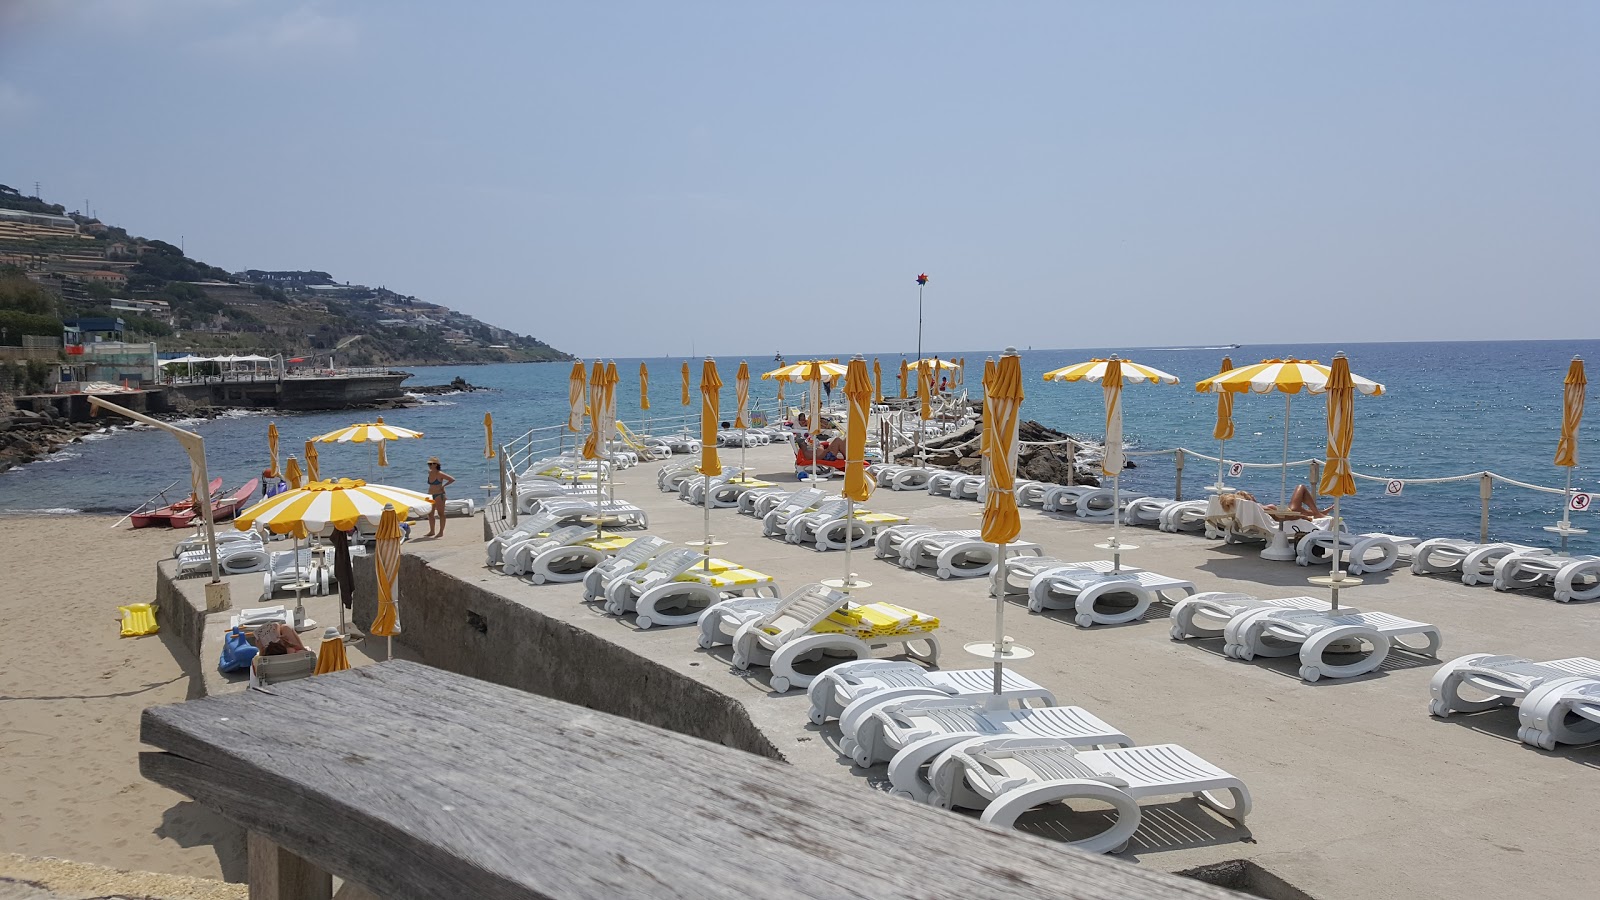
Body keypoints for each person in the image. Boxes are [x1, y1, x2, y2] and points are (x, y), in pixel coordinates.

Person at [424, 457, 455, 538]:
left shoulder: (440, 473)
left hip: (439, 495)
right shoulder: (429, 472)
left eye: (432, 464)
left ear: (436, 465)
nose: (430, 465)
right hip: (430, 495)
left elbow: (452, 479)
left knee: (441, 514)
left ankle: (441, 532)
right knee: (430, 513)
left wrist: (443, 486)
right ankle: (432, 531)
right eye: (429, 464)